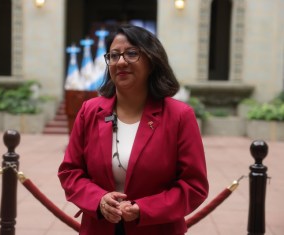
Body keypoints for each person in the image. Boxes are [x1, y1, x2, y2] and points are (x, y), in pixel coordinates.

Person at [58, 24, 209, 235]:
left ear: (151, 61)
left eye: (131, 54)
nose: (120, 62)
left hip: (156, 229)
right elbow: (70, 172)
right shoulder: (90, 111)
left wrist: (143, 209)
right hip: (98, 227)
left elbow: (194, 186)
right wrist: (98, 200)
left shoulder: (179, 116)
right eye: (113, 55)